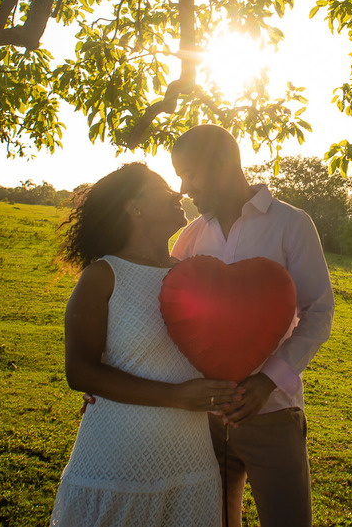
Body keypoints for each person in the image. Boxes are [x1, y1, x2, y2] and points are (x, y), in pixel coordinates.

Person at [51, 163, 243, 527]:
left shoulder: (190, 274)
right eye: (164, 188)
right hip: (120, 459)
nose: (179, 193)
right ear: (134, 206)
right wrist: (177, 396)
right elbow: (80, 371)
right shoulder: (103, 275)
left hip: (191, 460)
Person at [171, 125, 335, 527]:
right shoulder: (189, 239)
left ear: (223, 165)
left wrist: (267, 382)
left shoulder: (292, 224)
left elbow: (319, 312)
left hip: (274, 415)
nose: (183, 187)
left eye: (190, 173)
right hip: (202, 424)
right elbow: (168, 318)